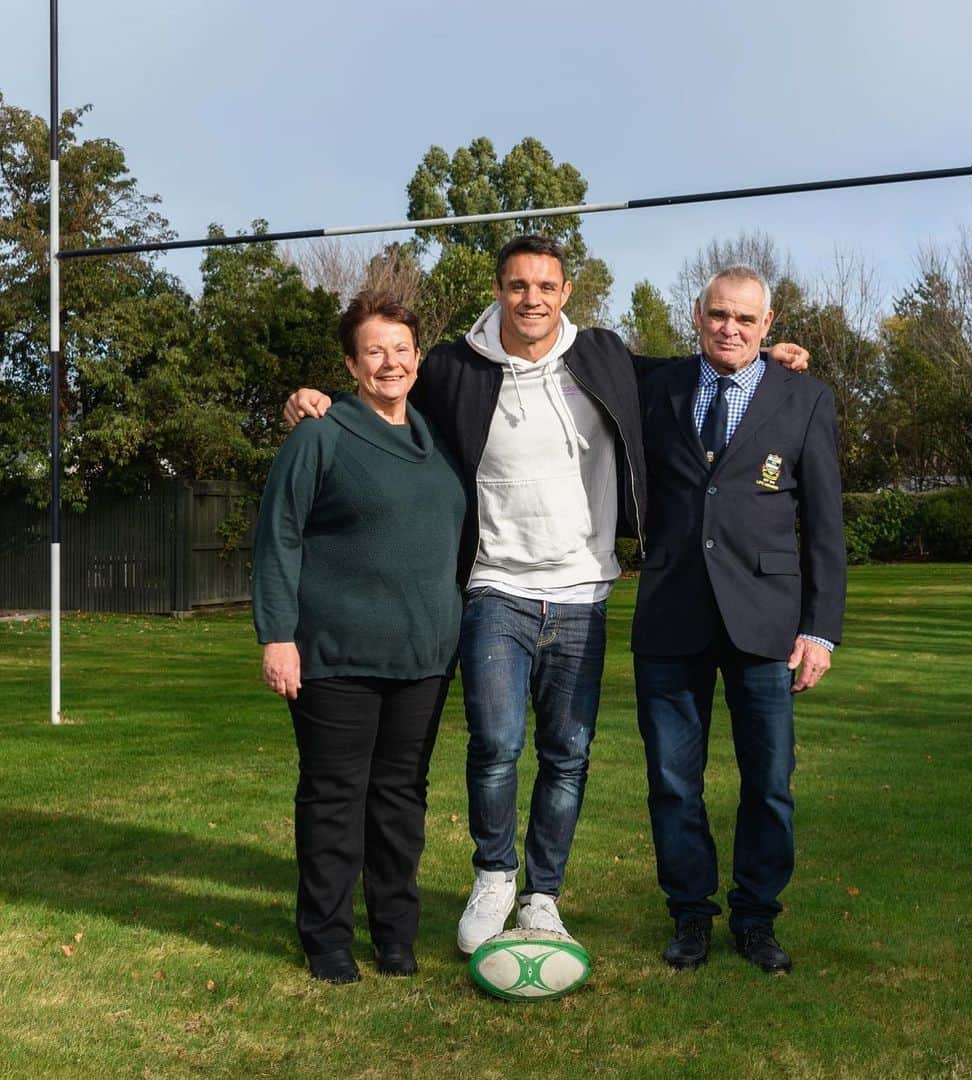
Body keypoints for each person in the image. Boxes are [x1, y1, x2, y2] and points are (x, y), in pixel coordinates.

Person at [283, 236, 810, 956]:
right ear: (498, 290)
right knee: (496, 745)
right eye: (518, 285)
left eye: (546, 286)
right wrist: (321, 399)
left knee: (569, 752)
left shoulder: (600, 356)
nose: (532, 298)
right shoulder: (454, 367)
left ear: (566, 293)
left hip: (582, 592)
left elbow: (693, 373)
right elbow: (387, 392)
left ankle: (541, 895)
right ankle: (494, 876)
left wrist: (767, 363)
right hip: (495, 588)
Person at [632, 265, 846, 973]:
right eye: (719, 314)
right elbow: (562, 354)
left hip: (768, 623)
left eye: (746, 320)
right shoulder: (654, 386)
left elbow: (823, 525)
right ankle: (690, 915)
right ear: (697, 313)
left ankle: (757, 917)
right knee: (672, 782)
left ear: (769, 324)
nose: (730, 328)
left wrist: (820, 628)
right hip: (670, 616)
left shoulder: (806, 398)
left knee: (770, 783)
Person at [253, 291, 466, 984]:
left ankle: (397, 937)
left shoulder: (435, 438)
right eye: (374, 350)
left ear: (417, 358)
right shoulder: (321, 434)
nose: (390, 362)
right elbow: (278, 535)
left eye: (401, 349)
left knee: (401, 803)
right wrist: (277, 635)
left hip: (424, 657)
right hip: (336, 655)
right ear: (351, 363)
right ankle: (327, 940)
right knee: (336, 800)